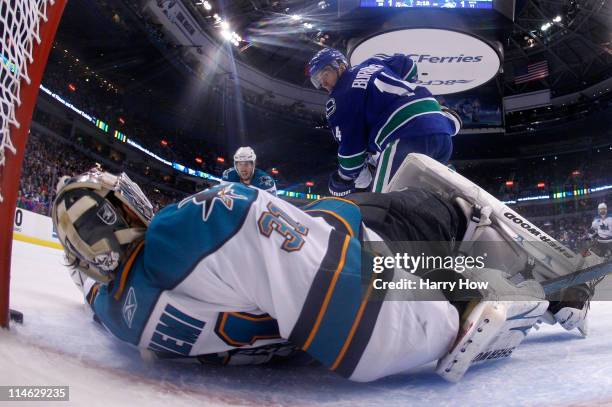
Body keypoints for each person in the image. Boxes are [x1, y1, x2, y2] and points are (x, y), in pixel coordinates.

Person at [52, 159, 595, 383]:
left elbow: (90, 287)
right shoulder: (188, 228)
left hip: (297, 315)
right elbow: (361, 317)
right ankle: (533, 280)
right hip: (376, 280)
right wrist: (453, 320)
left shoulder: (114, 314)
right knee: (434, 206)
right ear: (123, 211)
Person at [307, 48, 462, 196]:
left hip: (404, 138)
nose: (323, 84)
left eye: (325, 75)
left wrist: (343, 179)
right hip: (440, 126)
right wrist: (409, 97)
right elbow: (408, 64)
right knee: (432, 194)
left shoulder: (338, 100)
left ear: (340, 66)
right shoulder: (372, 63)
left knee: (382, 206)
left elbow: (351, 153)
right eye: (318, 81)